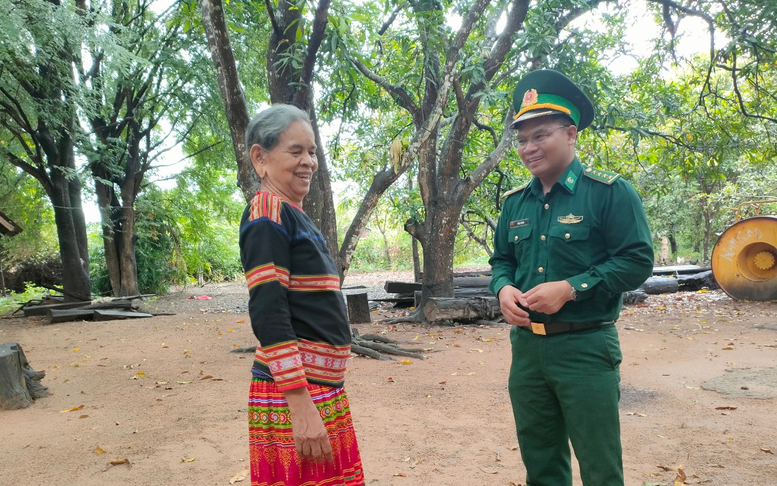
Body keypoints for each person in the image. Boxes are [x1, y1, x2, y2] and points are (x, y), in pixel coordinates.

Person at [489, 69, 654, 486]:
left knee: (599, 466)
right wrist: (503, 288)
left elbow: (637, 262)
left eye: (540, 135)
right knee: (541, 464)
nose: (528, 148)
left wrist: (571, 288)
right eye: (522, 139)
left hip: (586, 346)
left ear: (571, 133)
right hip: (527, 351)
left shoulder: (609, 193)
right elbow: (501, 260)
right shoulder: (514, 204)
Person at [239, 104, 364, 486]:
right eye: (296, 151)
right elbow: (268, 310)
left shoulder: (290, 213)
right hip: (297, 394)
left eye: (312, 152)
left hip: (319, 390)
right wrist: (301, 405)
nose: (308, 161)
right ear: (260, 158)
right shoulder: (267, 215)